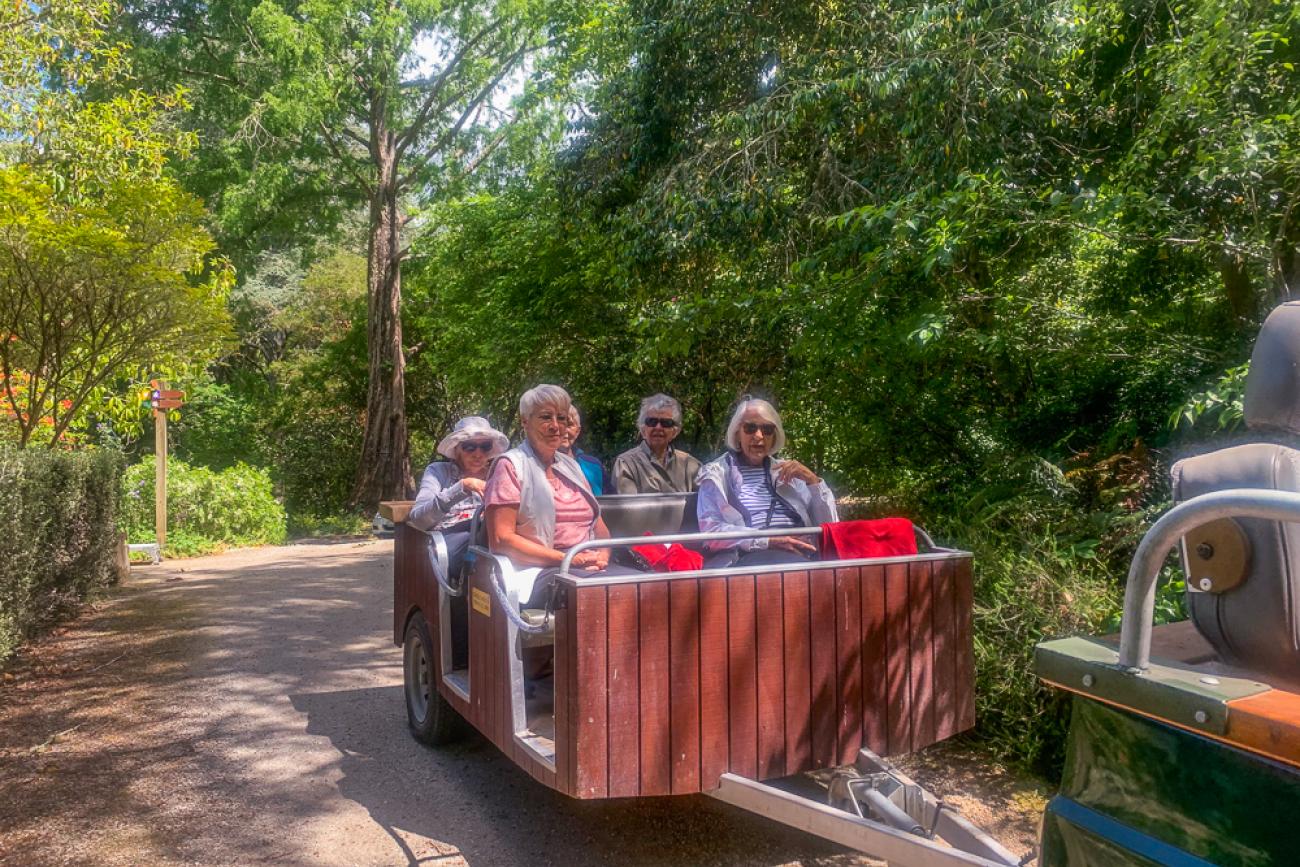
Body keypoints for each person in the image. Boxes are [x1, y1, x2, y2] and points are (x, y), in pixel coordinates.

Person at [484, 384, 635, 609]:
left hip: (586, 565)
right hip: (536, 570)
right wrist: (568, 559)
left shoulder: (571, 466)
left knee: (647, 585)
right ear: (525, 421)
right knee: (605, 594)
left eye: (562, 418)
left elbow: (599, 527)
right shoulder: (510, 466)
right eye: (546, 417)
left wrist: (602, 557)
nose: (556, 426)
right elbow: (501, 540)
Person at [408, 415, 509, 669]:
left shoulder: (500, 471)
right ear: (457, 450)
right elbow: (418, 518)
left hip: (489, 539)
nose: (478, 453)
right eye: (470, 447)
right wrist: (461, 487)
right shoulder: (438, 472)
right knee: (482, 537)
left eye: (485, 447)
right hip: (449, 539)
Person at [695, 397, 838, 567]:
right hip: (749, 558)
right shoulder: (716, 474)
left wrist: (814, 482)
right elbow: (711, 532)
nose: (758, 436)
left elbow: (830, 525)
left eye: (767, 429)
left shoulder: (789, 471)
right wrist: (768, 541)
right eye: (750, 428)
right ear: (737, 433)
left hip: (804, 555)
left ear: (774, 436)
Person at [611, 393, 703, 494]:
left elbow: (705, 503)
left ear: (675, 431)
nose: (658, 427)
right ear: (642, 429)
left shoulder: (690, 464)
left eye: (666, 423)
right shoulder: (626, 464)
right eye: (651, 421)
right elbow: (629, 508)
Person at [560, 404, 606, 495]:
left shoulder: (593, 465)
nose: (564, 430)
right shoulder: (539, 464)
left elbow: (611, 502)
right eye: (560, 424)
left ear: (577, 431)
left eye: (569, 425)